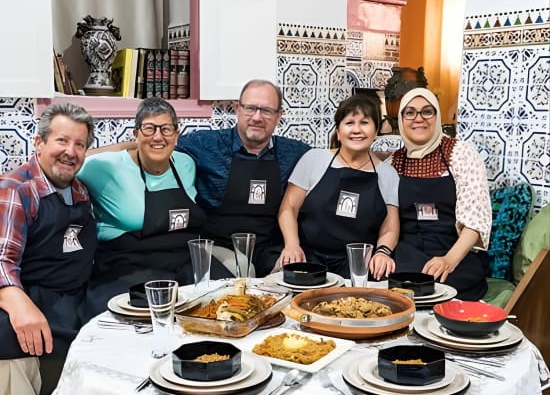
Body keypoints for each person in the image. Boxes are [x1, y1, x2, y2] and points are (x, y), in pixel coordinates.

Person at [0, 103, 97, 395]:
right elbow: (2, 258)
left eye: (80, 144)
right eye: (61, 140)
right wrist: (17, 301)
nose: (70, 151)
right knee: (8, 340)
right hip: (27, 295)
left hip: (74, 296)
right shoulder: (17, 190)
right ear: (38, 143)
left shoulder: (81, 191)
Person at [77, 97, 232, 318]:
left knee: (228, 301)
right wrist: (128, 145)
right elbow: (67, 160)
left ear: (176, 135)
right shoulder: (106, 166)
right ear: (135, 133)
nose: (158, 137)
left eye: (166, 129)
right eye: (149, 129)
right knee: (143, 323)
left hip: (184, 259)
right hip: (128, 264)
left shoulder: (185, 163)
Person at [176, 79, 310, 276]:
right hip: (218, 247)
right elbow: (158, 144)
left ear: (279, 115)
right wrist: (117, 152)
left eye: (266, 111)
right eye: (250, 108)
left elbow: (335, 158)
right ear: (238, 109)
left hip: (268, 247)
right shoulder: (205, 143)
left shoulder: (296, 152)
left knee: (296, 278)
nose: (257, 117)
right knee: (241, 278)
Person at [278, 94, 399, 280]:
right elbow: (288, 208)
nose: (356, 130)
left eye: (365, 123)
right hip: (308, 258)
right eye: (349, 123)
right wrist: (292, 245)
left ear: (376, 132)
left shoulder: (387, 174)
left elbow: (390, 226)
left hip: (359, 266)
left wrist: (383, 252)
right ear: (338, 130)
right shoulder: (314, 159)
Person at [389, 87, 491, 300]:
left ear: (437, 116)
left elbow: (475, 220)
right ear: (401, 119)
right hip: (406, 253)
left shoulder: (460, 153)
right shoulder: (393, 162)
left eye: (427, 111)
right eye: (410, 112)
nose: (419, 119)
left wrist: (448, 260)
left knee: (440, 288)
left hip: (454, 253)